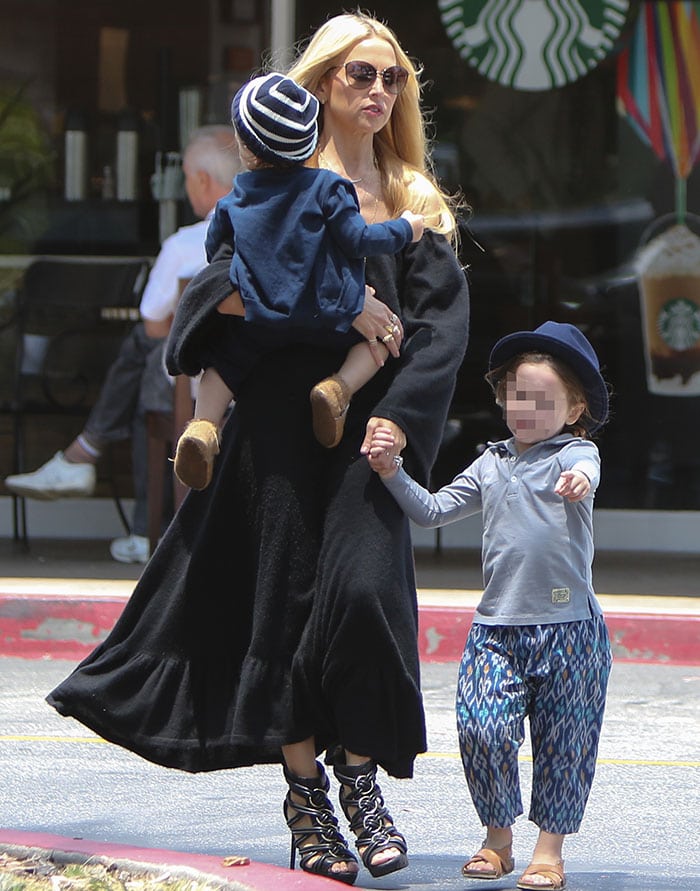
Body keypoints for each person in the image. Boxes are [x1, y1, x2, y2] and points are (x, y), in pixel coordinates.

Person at [46, 11, 470, 885]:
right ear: (320, 84)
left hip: (367, 439)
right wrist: (338, 304)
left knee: (358, 596)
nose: (379, 92)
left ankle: (358, 778)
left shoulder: (417, 203)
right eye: (360, 74)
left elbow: (439, 335)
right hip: (274, 432)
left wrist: (403, 425)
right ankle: (306, 799)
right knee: (278, 613)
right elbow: (211, 302)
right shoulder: (275, 185)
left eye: (392, 78)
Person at [367, 320, 612, 891]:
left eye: (544, 400)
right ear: (503, 398)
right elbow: (430, 512)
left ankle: (548, 852)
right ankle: (496, 839)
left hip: (570, 629)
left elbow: (589, 470)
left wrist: (579, 478)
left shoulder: (576, 453)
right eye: (516, 396)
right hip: (496, 629)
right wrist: (390, 471)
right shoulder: (491, 463)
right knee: (481, 728)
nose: (526, 408)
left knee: (566, 743)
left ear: (574, 408)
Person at [174, 72, 424, 490]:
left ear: (243, 145)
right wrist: (406, 229)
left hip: (258, 320)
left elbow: (217, 255)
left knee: (222, 364)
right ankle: (337, 389)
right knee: (380, 341)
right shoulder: (328, 188)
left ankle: (202, 426)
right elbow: (359, 239)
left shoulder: (235, 197)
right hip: (331, 317)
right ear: (311, 141)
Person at [3, 126, 241, 563]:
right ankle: (87, 461)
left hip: (196, 389)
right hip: (259, 377)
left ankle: (91, 463)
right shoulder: (273, 238)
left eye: (187, 178)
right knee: (149, 371)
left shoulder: (187, 242)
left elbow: (153, 324)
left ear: (203, 181)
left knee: (149, 365)